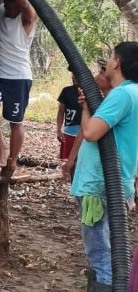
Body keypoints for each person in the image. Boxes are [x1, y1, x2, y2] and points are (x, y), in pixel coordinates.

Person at [70, 42, 138, 289]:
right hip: (120, 183)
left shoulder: (122, 94)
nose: (107, 62)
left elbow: (91, 133)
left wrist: (87, 111)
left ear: (117, 62)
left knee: (101, 255)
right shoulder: (135, 93)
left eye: (110, 57)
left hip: (99, 188)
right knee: (112, 251)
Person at [0, 0, 38, 177]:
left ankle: (12, 159)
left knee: (15, 122)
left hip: (18, 77)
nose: (11, 11)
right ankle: (2, 148)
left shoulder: (26, 20)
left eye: (15, 7)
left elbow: (26, 6)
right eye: (8, 6)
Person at [62, 61, 112, 182]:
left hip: (105, 172)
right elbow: (84, 130)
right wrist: (71, 159)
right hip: (90, 169)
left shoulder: (113, 103)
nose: (97, 76)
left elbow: (89, 133)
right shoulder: (99, 102)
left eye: (101, 73)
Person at [56, 70, 82, 164]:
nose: (73, 77)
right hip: (70, 131)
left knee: (82, 159)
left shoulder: (91, 93)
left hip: (86, 132)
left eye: (76, 75)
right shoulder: (66, 91)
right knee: (70, 160)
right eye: (73, 75)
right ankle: (72, 178)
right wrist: (59, 129)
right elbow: (60, 111)